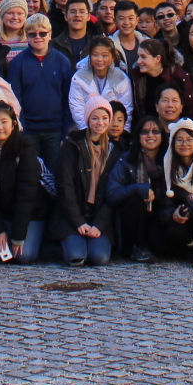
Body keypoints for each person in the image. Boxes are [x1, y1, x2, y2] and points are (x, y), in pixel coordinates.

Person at [0, 102, 44, 263]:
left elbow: (27, 196)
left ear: (14, 124)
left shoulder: (25, 149)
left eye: (4, 122)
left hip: (30, 213)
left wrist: (18, 236)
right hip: (1, 213)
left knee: (24, 255)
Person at [54, 100, 118, 265]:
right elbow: (65, 186)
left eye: (104, 118)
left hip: (99, 216)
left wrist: (100, 224)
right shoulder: (72, 144)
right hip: (74, 214)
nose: (100, 123)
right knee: (77, 256)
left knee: (99, 258)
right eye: (95, 118)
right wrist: (78, 221)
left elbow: (114, 191)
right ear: (88, 119)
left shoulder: (115, 149)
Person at [5, 14, 74, 168]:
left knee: (56, 172)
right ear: (26, 36)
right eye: (32, 34)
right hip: (29, 130)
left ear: (50, 35)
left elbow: (68, 99)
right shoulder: (17, 63)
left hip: (55, 130)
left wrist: (66, 131)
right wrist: (21, 129)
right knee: (30, 172)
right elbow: (14, 100)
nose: (38, 37)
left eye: (42, 33)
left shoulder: (62, 62)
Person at [106, 116, 170, 261]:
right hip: (133, 219)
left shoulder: (169, 160)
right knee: (134, 199)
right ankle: (136, 247)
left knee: (162, 246)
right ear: (138, 136)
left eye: (155, 131)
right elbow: (111, 193)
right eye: (145, 132)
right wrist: (137, 188)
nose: (150, 135)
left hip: (159, 216)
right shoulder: (126, 160)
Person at [69, 38, 132, 130]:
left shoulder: (121, 78)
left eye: (104, 55)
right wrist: (88, 131)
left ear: (112, 57)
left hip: (114, 130)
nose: (99, 59)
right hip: (88, 130)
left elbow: (126, 109)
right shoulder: (79, 77)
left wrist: (121, 132)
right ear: (90, 56)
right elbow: (77, 107)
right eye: (95, 55)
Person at [132, 38, 193, 126]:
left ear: (158, 58)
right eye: (138, 56)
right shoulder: (137, 76)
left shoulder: (178, 76)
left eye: (143, 57)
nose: (138, 61)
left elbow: (190, 108)